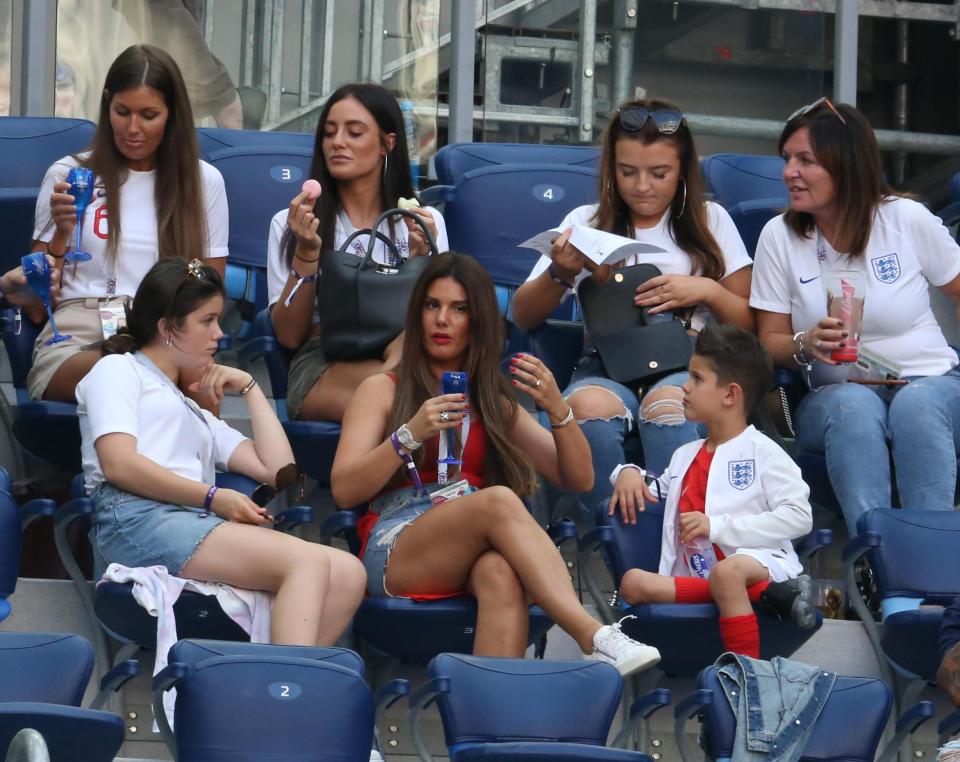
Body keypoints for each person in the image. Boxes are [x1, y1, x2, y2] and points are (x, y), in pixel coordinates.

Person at [331, 252, 661, 675]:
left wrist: (559, 410)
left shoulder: (490, 397)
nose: (442, 320)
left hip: (471, 537)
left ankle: (490, 725)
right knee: (500, 501)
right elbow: (344, 489)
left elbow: (577, 478)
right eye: (432, 305)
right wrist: (409, 434)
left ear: (479, 321)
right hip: (397, 543)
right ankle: (594, 635)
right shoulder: (381, 389)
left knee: (501, 571)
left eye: (458, 308)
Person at [75, 258, 365, 646]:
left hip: (188, 521)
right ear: (167, 328)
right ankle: (284, 690)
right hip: (135, 518)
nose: (219, 335)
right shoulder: (117, 370)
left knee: (348, 572)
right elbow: (118, 464)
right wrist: (213, 498)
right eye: (207, 321)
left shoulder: (192, 411)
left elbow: (280, 471)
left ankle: (273, 695)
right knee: (309, 560)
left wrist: (249, 388)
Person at [511, 98, 752, 521]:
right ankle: (611, 541)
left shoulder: (710, 220)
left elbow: (749, 324)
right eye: (627, 172)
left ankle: (672, 541)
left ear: (682, 172)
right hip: (605, 360)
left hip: (689, 358)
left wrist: (706, 290)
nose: (643, 186)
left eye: (660, 173)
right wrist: (560, 275)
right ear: (611, 169)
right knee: (583, 408)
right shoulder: (585, 220)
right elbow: (522, 315)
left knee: (668, 406)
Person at [750, 99, 960, 537]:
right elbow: (768, 339)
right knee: (854, 406)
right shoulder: (780, 236)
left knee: (917, 405)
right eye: (787, 159)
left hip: (929, 382)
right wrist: (805, 342)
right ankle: (879, 563)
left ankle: (933, 554)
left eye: (805, 160)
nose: (790, 172)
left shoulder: (905, 219)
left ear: (845, 164)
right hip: (834, 394)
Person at [27, 44, 229, 407]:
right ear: (107, 106)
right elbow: (35, 306)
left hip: (165, 331)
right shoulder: (70, 175)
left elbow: (208, 296)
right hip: (79, 332)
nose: (132, 128)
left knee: (184, 379)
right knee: (127, 372)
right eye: (122, 112)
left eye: (149, 115)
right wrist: (60, 235)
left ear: (172, 116)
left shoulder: (203, 182)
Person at [610, 325, 814, 658]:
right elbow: (655, 492)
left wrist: (716, 526)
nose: (685, 388)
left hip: (757, 563)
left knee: (728, 572)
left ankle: (746, 674)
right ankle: (770, 595)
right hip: (700, 578)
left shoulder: (765, 451)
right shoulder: (684, 455)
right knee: (633, 582)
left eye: (696, 378)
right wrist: (628, 473)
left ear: (730, 395)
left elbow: (800, 518)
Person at [266, 82, 448, 423]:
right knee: (404, 397)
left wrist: (420, 261)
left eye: (355, 132)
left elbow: (438, 321)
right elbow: (289, 335)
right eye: (330, 132)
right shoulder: (292, 222)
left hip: (404, 354)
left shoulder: (422, 222)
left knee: (408, 386)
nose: (338, 142)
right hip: (326, 360)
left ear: (387, 143)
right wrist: (306, 253)